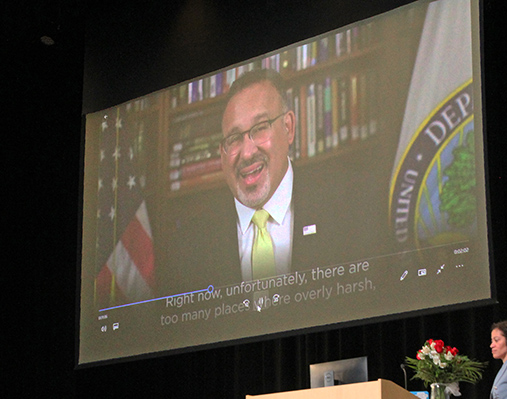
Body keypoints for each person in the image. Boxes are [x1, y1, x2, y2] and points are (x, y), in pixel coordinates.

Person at [160, 68, 384, 291]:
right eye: (235, 138)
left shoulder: (354, 206)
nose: (247, 153)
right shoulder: (187, 247)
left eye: (260, 129)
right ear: (222, 153)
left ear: (288, 128)